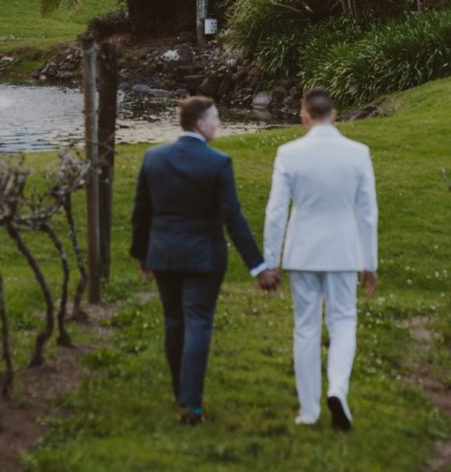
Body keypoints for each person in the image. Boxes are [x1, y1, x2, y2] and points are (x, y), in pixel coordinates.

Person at [131, 96, 279, 425]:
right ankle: (192, 404)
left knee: (174, 322)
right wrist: (258, 267)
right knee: (198, 322)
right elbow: (234, 219)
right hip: (204, 258)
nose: (219, 123)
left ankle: (180, 392)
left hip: (165, 255)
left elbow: (141, 214)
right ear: (200, 124)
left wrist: (143, 254)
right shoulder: (218, 163)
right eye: (215, 118)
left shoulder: (154, 158)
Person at [263, 88, 378, 431]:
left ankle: (309, 411)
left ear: (304, 117)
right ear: (335, 114)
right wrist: (369, 262)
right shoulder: (358, 153)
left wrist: (271, 260)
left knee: (306, 327)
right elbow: (367, 213)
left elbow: (275, 213)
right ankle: (337, 389)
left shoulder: (289, 153)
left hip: (303, 251)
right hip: (343, 251)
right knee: (343, 321)